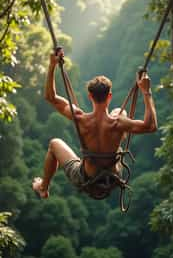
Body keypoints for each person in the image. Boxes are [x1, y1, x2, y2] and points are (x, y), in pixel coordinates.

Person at [32, 49, 157, 198]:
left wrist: (52, 65)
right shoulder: (118, 123)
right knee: (118, 112)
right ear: (109, 96)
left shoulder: (79, 118)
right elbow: (151, 126)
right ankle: (114, 142)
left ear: (90, 96)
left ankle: (43, 188)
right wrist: (146, 92)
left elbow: (50, 97)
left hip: (86, 178)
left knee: (54, 143)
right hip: (112, 178)